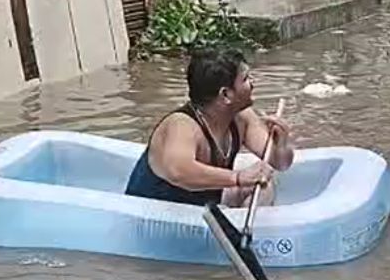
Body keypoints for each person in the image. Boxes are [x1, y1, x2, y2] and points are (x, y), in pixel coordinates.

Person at [125, 48, 294, 207]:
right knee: (247, 182)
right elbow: (178, 171)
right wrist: (237, 177)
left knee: (263, 186)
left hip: (200, 208)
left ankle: (240, 234)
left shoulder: (243, 118)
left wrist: (281, 143)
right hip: (156, 217)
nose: (253, 83)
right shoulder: (181, 125)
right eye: (246, 79)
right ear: (225, 94)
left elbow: (280, 164)